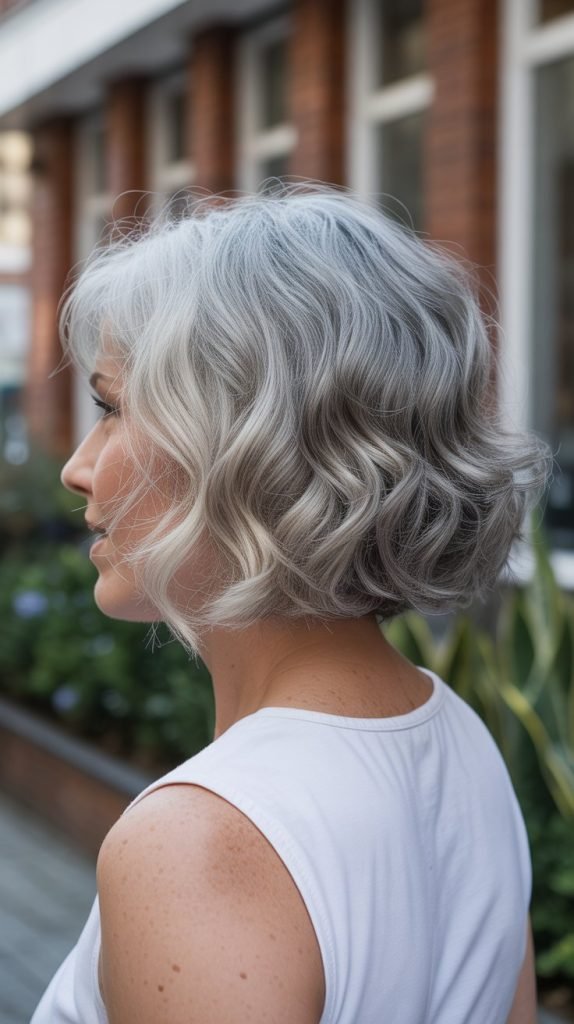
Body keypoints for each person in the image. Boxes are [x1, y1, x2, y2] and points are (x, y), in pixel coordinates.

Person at [31, 183, 551, 1024]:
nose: (77, 468)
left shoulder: (202, 843)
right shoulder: (460, 740)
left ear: (251, 446)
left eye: (113, 407)